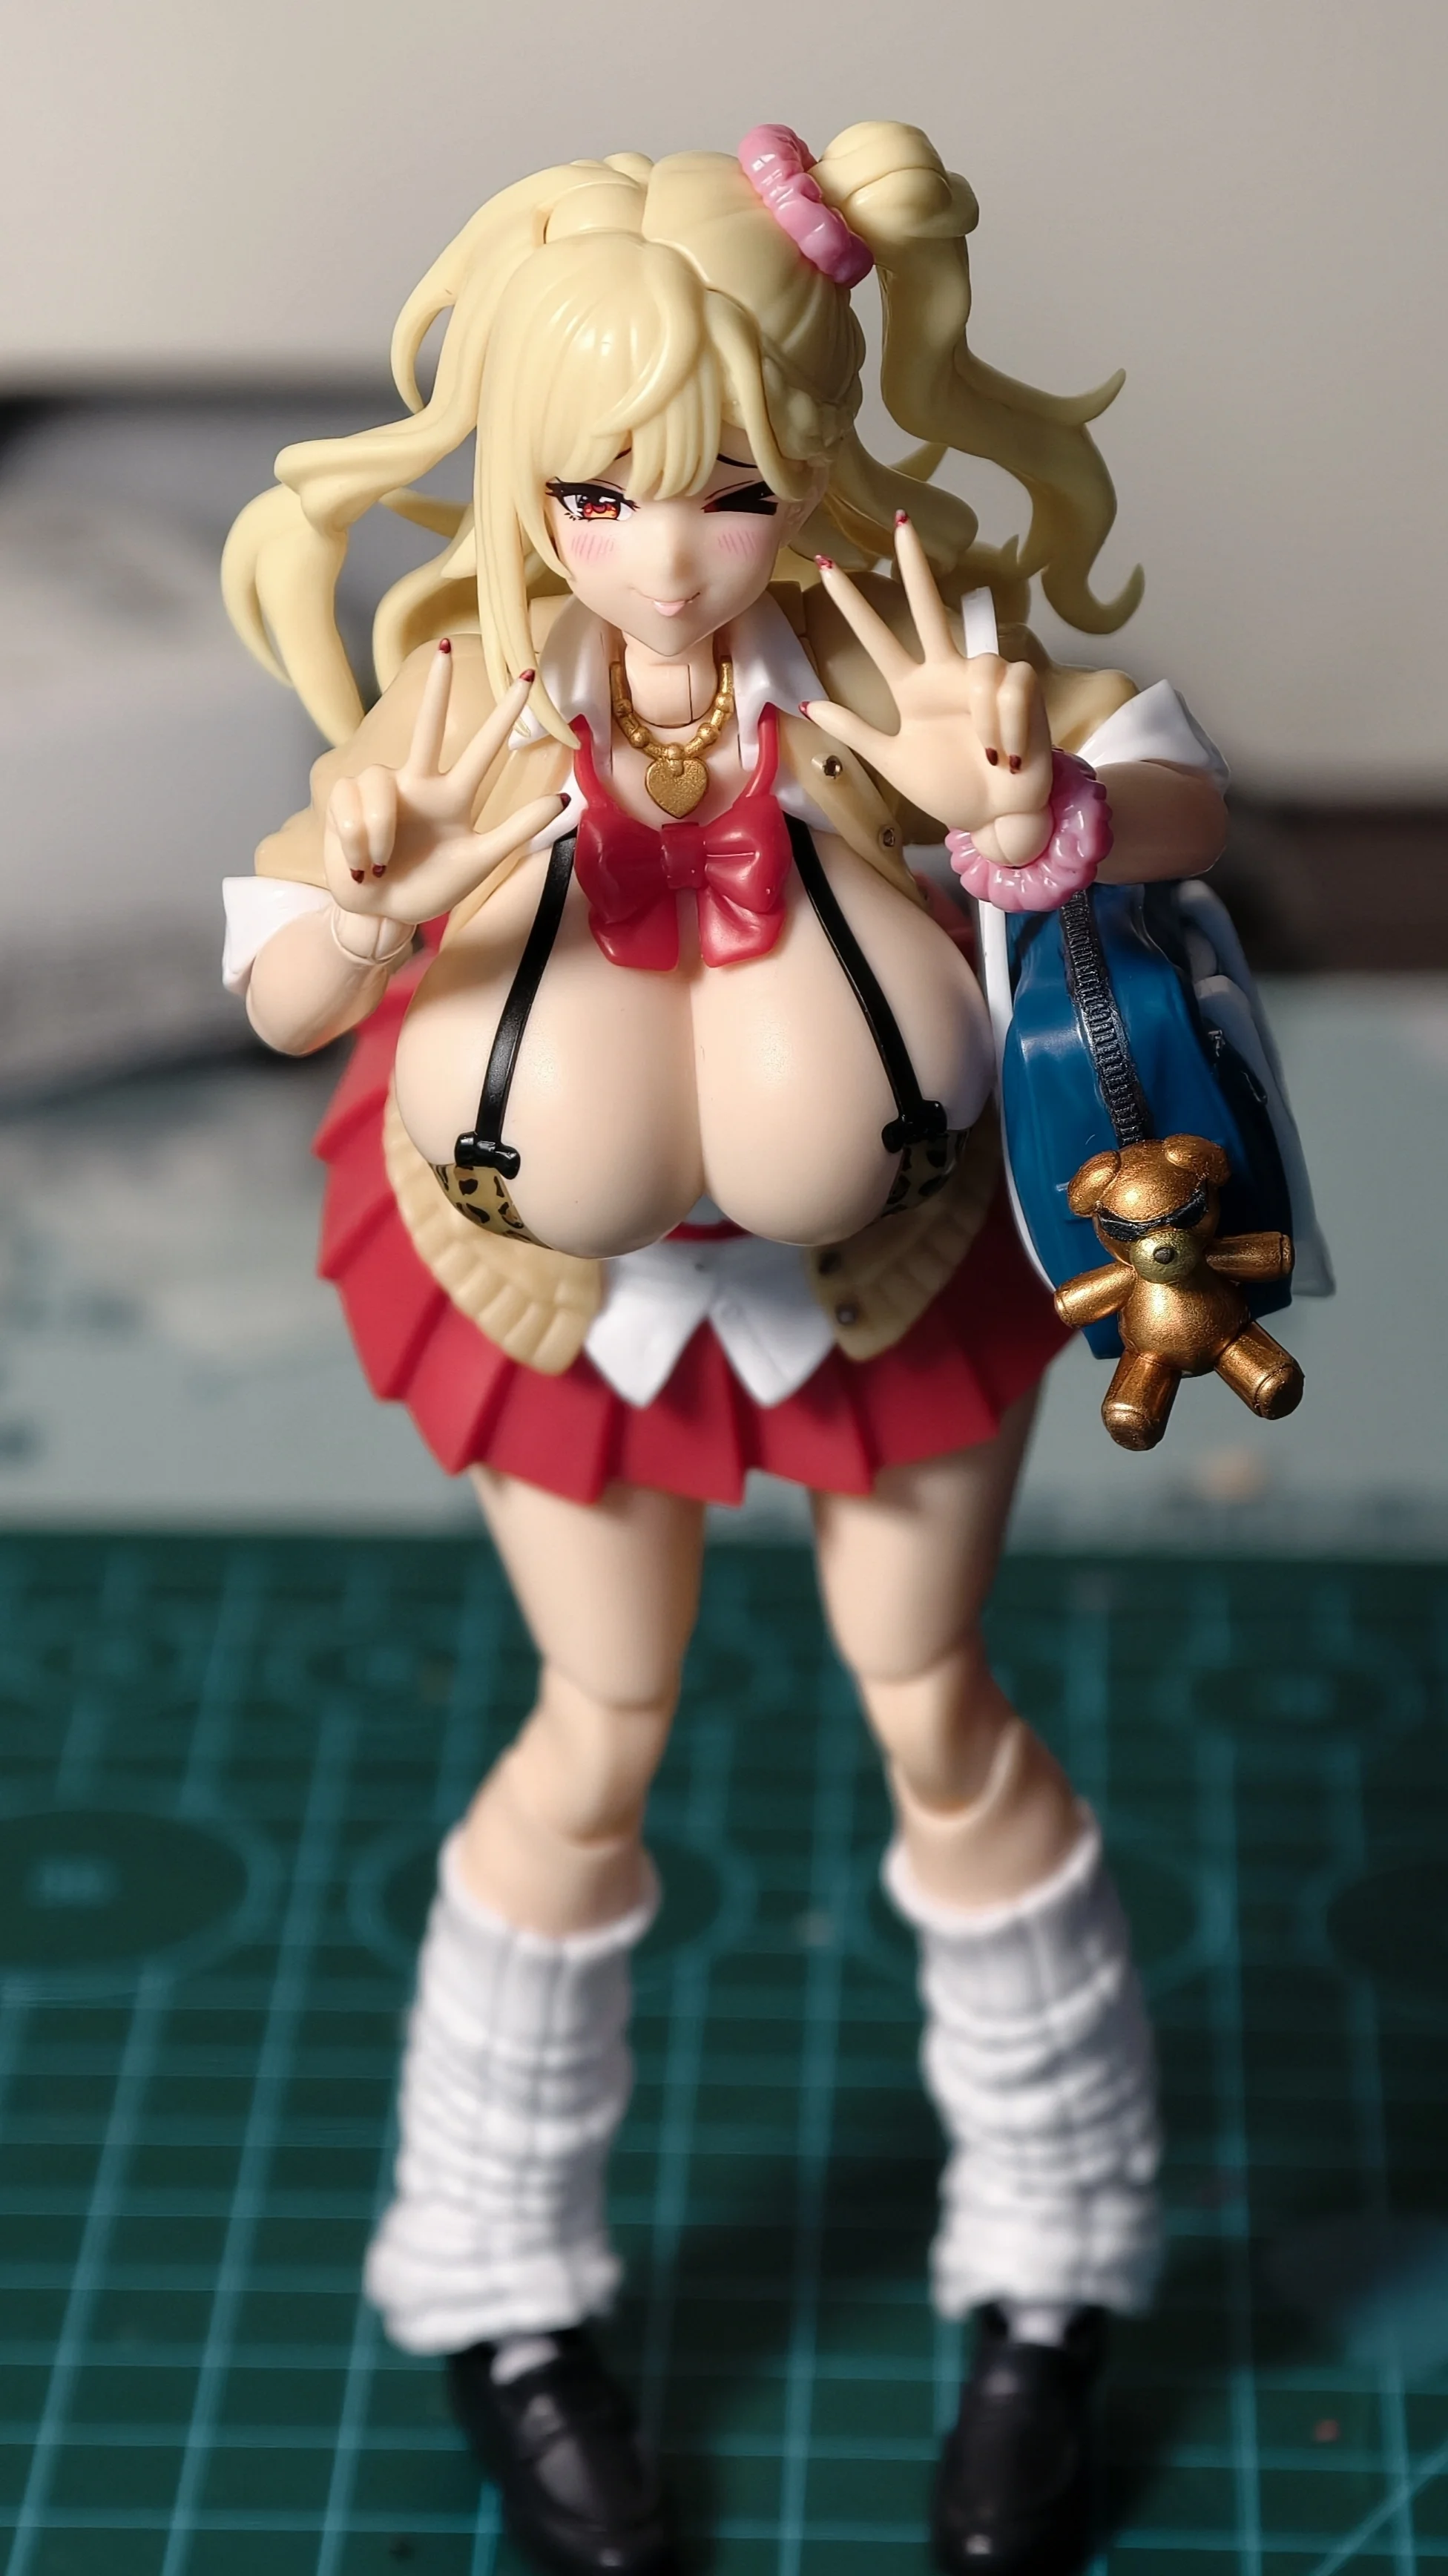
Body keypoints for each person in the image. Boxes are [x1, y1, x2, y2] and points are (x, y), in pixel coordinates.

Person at [221, 121, 1228, 2576]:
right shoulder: (469, 693)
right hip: (564, 1295)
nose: (665, 556)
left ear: (811, 467)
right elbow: (277, 984)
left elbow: (1178, 798)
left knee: (935, 1708)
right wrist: (363, 908)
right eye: (601, 495)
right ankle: (497, 2279)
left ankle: (1055, 2255)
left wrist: (1033, 813)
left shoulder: (896, 645)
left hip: (885, 1270)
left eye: (728, 491)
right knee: (598, 1729)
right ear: (529, 487)